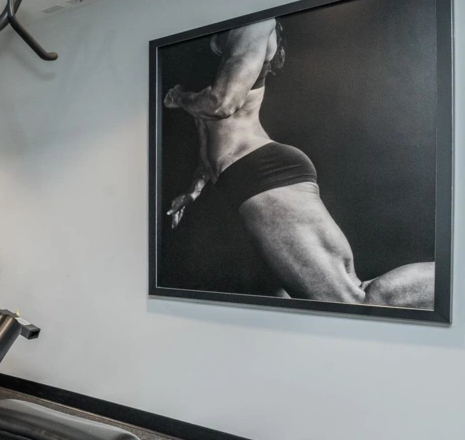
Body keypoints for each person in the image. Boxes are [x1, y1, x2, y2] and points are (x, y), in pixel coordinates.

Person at [164, 18, 433, 308]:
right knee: (303, 304)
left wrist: (181, 98)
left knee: (349, 300)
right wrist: (195, 188)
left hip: (261, 171)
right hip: (237, 182)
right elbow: (209, 128)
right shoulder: (217, 37)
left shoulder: (255, 24)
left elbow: (222, 103)